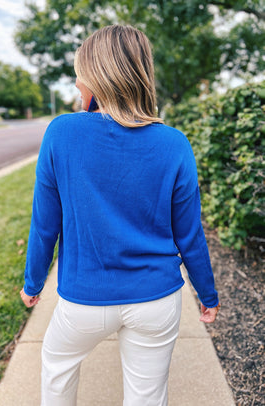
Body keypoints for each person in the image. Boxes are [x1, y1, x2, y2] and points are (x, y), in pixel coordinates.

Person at [20, 24, 220, 406]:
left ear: (96, 78)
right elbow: (190, 234)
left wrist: (33, 283)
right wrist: (206, 293)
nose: (77, 84)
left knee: (57, 368)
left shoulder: (61, 133)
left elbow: (46, 224)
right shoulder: (174, 143)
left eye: (80, 75)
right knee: (147, 396)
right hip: (156, 301)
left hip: (84, 300)